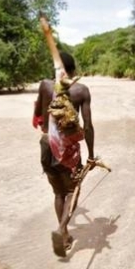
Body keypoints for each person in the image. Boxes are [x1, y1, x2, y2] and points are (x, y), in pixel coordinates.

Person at [33, 51, 94, 257]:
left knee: (58, 192)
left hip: (46, 145)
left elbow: (39, 116)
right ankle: (61, 229)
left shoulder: (44, 85)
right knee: (71, 192)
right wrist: (91, 154)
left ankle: (66, 233)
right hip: (67, 150)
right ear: (73, 69)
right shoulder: (81, 90)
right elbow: (88, 127)